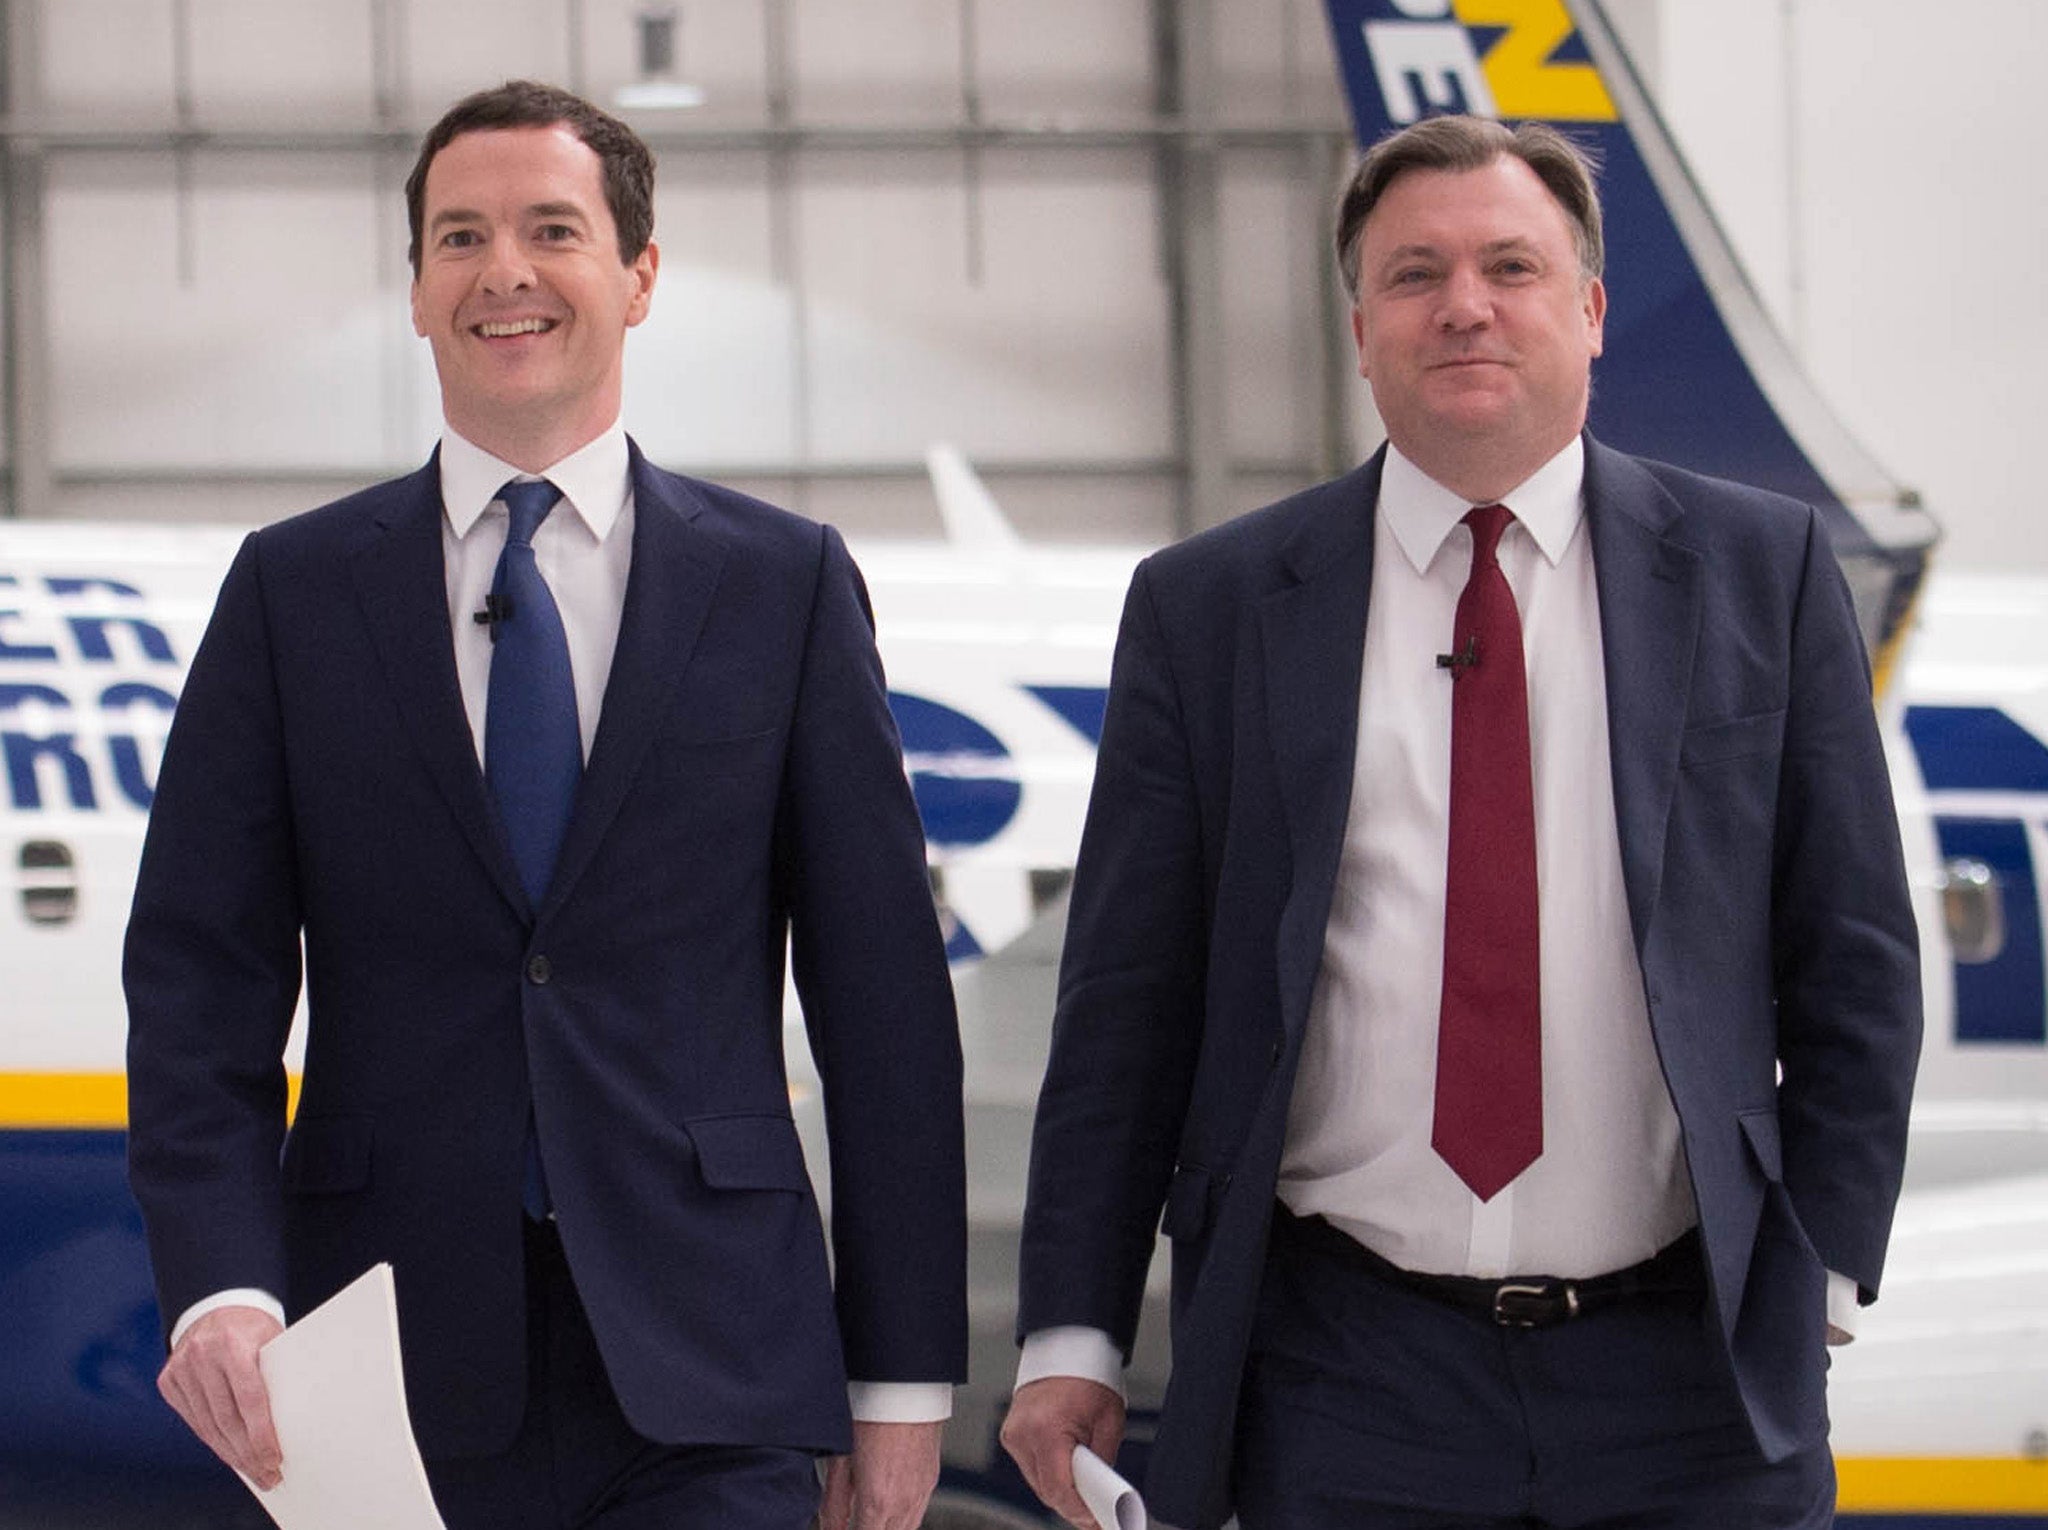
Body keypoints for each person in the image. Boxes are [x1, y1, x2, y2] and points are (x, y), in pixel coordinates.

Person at [1001, 114, 1921, 1530]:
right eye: (1416, 273)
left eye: (1512, 265)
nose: (1466, 305)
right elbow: (1129, 1000)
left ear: (1593, 311)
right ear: (1361, 326)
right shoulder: (1212, 609)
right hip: (1347, 1373)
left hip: (1689, 1375)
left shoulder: (1763, 572)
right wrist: (1073, 1333)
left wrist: (1825, 1276)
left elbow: (1853, 952)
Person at [124, 79, 965, 1530]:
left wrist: (897, 1386)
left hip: (716, 1365)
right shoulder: (291, 593)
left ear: (638, 275)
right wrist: (220, 1282)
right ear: (415, 293)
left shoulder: (783, 585)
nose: (501, 271)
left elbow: (882, 1008)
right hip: (382, 1366)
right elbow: (202, 978)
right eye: (458, 236)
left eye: (550, 230)